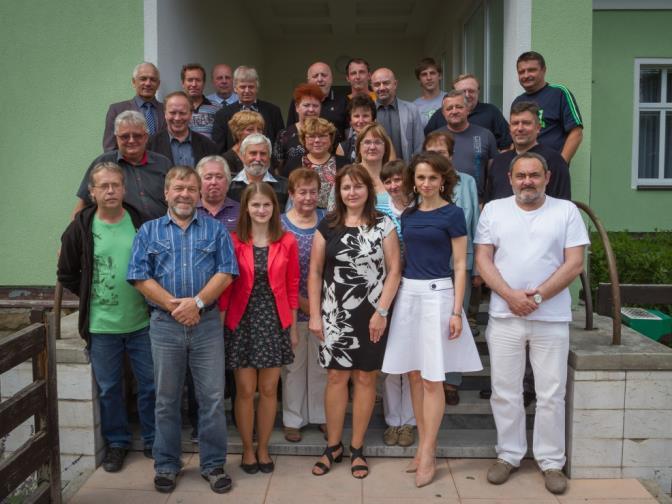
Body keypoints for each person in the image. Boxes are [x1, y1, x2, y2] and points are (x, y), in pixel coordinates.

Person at [474, 152, 589, 495]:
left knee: (551, 392)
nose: (527, 181)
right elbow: (483, 258)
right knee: (505, 390)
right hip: (505, 315)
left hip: (551, 317)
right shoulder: (494, 210)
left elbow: (575, 263)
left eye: (534, 175)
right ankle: (508, 454)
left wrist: (536, 297)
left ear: (547, 177)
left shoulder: (565, 211)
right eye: (521, 175)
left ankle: (551, 462)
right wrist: (511, 296)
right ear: (510, 179)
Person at [127, 166, 238, 494]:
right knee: (166, 399)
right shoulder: (148, 231)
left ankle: (214, 464)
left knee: (213, 398)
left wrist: (198, 304)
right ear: (166, 193)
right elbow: (137, 275)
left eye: (191, 188)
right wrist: (177, 306)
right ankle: (166, 464)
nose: (185, 194)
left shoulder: (216, 230)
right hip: (164, 326)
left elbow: (227, 271)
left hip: (205, 327)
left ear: (199, 193)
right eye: (179, 188)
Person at [382, 152, 482, 487]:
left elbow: (459, 265)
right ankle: (427, 447)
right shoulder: (408, 215)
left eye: (432, 178)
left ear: (443, 180)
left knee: (432, 379)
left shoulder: (454, 214)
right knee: (413, 373)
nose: (426, 184)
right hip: (409, 294)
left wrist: (457, 311)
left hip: (439, 296)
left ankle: (426, 453)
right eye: (420, 178)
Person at [58, 162, 155, 473]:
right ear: (92, 192)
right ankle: (117, 442)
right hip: (101, 326)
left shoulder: (141, 223)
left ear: (124, 188)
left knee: (151, 384)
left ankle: (154, 438)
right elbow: (67, 274)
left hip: (142, 322)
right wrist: (92, 295)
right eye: (104, 186)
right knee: (110, 387)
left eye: (116, 185)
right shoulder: (80, 228)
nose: (111, 190)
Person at [308, 164, 401, 479]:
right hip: (336, 313)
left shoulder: (383, 224)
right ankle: (333, 446)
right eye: (346, 187)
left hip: (373, 315)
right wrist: (316, 315)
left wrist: (382, 311)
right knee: (336, 378)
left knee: (365, 379)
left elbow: (394, 271)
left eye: (358, 186)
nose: (352, 192)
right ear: (339, 191)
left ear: (368, 190)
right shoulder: (328, 225)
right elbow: (315, 272)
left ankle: (357, 448)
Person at [219, 182, 299, 474]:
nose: (261, 210)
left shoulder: (286, 240)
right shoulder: (233, 240)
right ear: (246, 209)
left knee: (268, 390)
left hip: (274, 321)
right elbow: (226, 286)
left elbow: (292, 286)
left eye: (266, 205)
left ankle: (263, 448)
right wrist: (221, 325)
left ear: (274, 209)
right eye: (256, 205)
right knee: (244, 390)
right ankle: (247, 449)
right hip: (242, 321)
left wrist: (291, 327)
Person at [423, 130, 481, 406]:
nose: (436, 158)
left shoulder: (467, 182)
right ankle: (430, 373)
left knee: (454, 320)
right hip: (428, 265)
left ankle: (451, 380)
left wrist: (478, 265)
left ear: (451, 155)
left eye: (442, 153)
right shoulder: (420, 184)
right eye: (431, 152)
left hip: (461, 262)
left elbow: (475, 223)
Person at [280, 169, 328, 443]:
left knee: (322, 364)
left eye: (313, 192)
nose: (308, 197)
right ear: (291, 194)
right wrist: (301, 302)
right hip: (291, 306)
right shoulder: (281, 224)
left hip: (325, 307)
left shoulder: (329, 221)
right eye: (302, 192)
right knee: (294, 366)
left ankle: (321, 415)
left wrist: (318, 305)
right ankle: (293, 418)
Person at [75, 110, 172, 222]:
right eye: (125, 136)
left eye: (137, 136)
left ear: (146, 137)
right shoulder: (102, 163)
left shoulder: (163, 163)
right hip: (121, 233)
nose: (131, 140)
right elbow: (82, 205)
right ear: (116, 138)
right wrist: (74, 235)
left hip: (161, 234)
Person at [379, 160, 416, 448]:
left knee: (413, 360)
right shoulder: (379, 208)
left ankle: (410, 422)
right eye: (388, 181)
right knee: (391, 360)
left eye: (398, 180)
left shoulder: (421, 206)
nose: (394, 186)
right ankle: (393, 422)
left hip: (417, 288)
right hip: (385, 288)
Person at [486, 101, 571, 203]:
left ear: (538, 127)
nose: (520, 128)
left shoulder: (554, 161)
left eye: (526, 123)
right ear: (510, 129)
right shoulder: (499, 162)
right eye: (515, 123)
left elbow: (562, 205)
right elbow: (489, 204)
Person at [512, 51, 583, 163]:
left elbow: (576, 132)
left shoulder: (559, 93)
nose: (526, 75)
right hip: (524, 171)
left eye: (531, 70)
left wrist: (561, 164)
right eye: (521, 72)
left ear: (544, 70)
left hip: (551, 168)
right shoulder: (518, 101)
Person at [425, 74, 511, 150]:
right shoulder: (440, 115)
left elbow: (507, 144)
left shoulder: (491, 112)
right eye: (462, 91)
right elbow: (426, 142)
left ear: (478, 92)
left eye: (471, 91)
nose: (467, 95)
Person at [212, 66, 284, 153]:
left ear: (257, 88)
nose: (247, 91)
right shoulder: (222, 115)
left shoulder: (273, 111)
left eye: (251, 87)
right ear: (235, 88)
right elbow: (218, 149)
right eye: (242, 87)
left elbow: (280, 144)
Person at [440, 90, 498, 199]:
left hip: (477, 201)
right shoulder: (435, 137)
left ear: (468, 110)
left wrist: (485, 201)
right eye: (449, 108)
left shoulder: (485, 135)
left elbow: (492, 174)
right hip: (442, 201)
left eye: (459, 107)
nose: (454, 111)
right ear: (443, 113)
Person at [284, 117, 347, 207]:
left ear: (331, 138)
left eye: (322, 136)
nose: (317, 140)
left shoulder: (345, 164)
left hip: (337, 218)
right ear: (304, 139)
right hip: (303, 217)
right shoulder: (293, 164)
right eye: (312, 136)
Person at [103, 62, 165, 151]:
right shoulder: (117, 110)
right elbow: (110, 148)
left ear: (158, 84)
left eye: (153, 79)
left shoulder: (167, 110)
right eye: (143, 79)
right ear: (134, 82)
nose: (148, 83)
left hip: (161, 164)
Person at [148, 91, 217, 167]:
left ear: (191, 114)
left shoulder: (208, 146)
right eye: (172, 113)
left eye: (182, 113)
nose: (177, 118)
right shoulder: (150, 145)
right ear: (165, 114)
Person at [371, 67, 425, 162]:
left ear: (395, 84)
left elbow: (419, 146)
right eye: (377, 84)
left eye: (386, 83)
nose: (382, 88)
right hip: (375, 172)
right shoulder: (368, 111)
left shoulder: (411, 109)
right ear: (372, 87)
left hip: (404, 171)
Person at [286, 61, 348, 138]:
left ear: (331, 79)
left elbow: (348, 133)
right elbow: (290, 129)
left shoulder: (343, 101)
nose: (320, 79)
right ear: (308, 81)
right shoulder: (298, 100)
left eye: (324, 75)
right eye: (315, 76)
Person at [227, 133, 290, 209]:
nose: (258, 159)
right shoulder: (227, 185)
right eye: (253, 153)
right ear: (243, 156)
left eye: (263, 154)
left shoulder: (285, 187)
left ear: (269, 157)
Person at [274, 83, 324, 174]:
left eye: (315, 105)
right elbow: (278, 168)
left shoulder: (329, 133)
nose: (311, 109)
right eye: (306, 105)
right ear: (297, 107)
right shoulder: (284, 134)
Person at [196, 155, 240, 233]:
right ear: (198, 182)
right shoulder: (190, 211)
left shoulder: (241, 211)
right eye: (208, 177)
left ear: (228, 181)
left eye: (219, 177)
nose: (214, 182)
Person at [181, 63, 221, 140]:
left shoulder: (217, 108)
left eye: (198, 80)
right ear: (183, 83)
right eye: (190, 80)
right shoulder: (176, 108)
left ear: (204, 83)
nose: (194, 84)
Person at [222, 110, 265, 175]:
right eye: (250, 129)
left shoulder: (266, 152)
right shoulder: (227, 158)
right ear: (238, 132)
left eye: (259, 129)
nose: (256, 133)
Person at [336, 94, 377, 163]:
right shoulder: (342, 148)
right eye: (356, 116)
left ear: (373, 119)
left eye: (365, 116)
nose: (361, 121)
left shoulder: (384, 142)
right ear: (350, 121)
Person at [413, 57, 446, 127]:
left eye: (432, 73)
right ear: (419, 79)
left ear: (440, 76)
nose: (429, 78)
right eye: (424, 74)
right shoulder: (413, 107)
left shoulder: (450, 99)